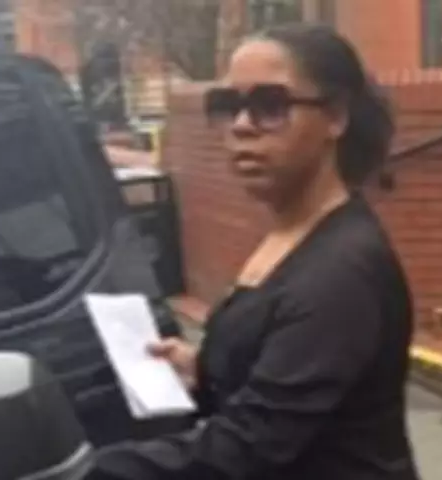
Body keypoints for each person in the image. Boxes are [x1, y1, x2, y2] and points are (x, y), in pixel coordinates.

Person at [85, 24, 420, 480]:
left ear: (336, 117)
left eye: (271, 106)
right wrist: (202, 370)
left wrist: (90, 470)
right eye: (230, 106)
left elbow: (252, 444)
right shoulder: (291, 235)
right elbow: (276, 364)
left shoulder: (342, 272)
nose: (242, 126)